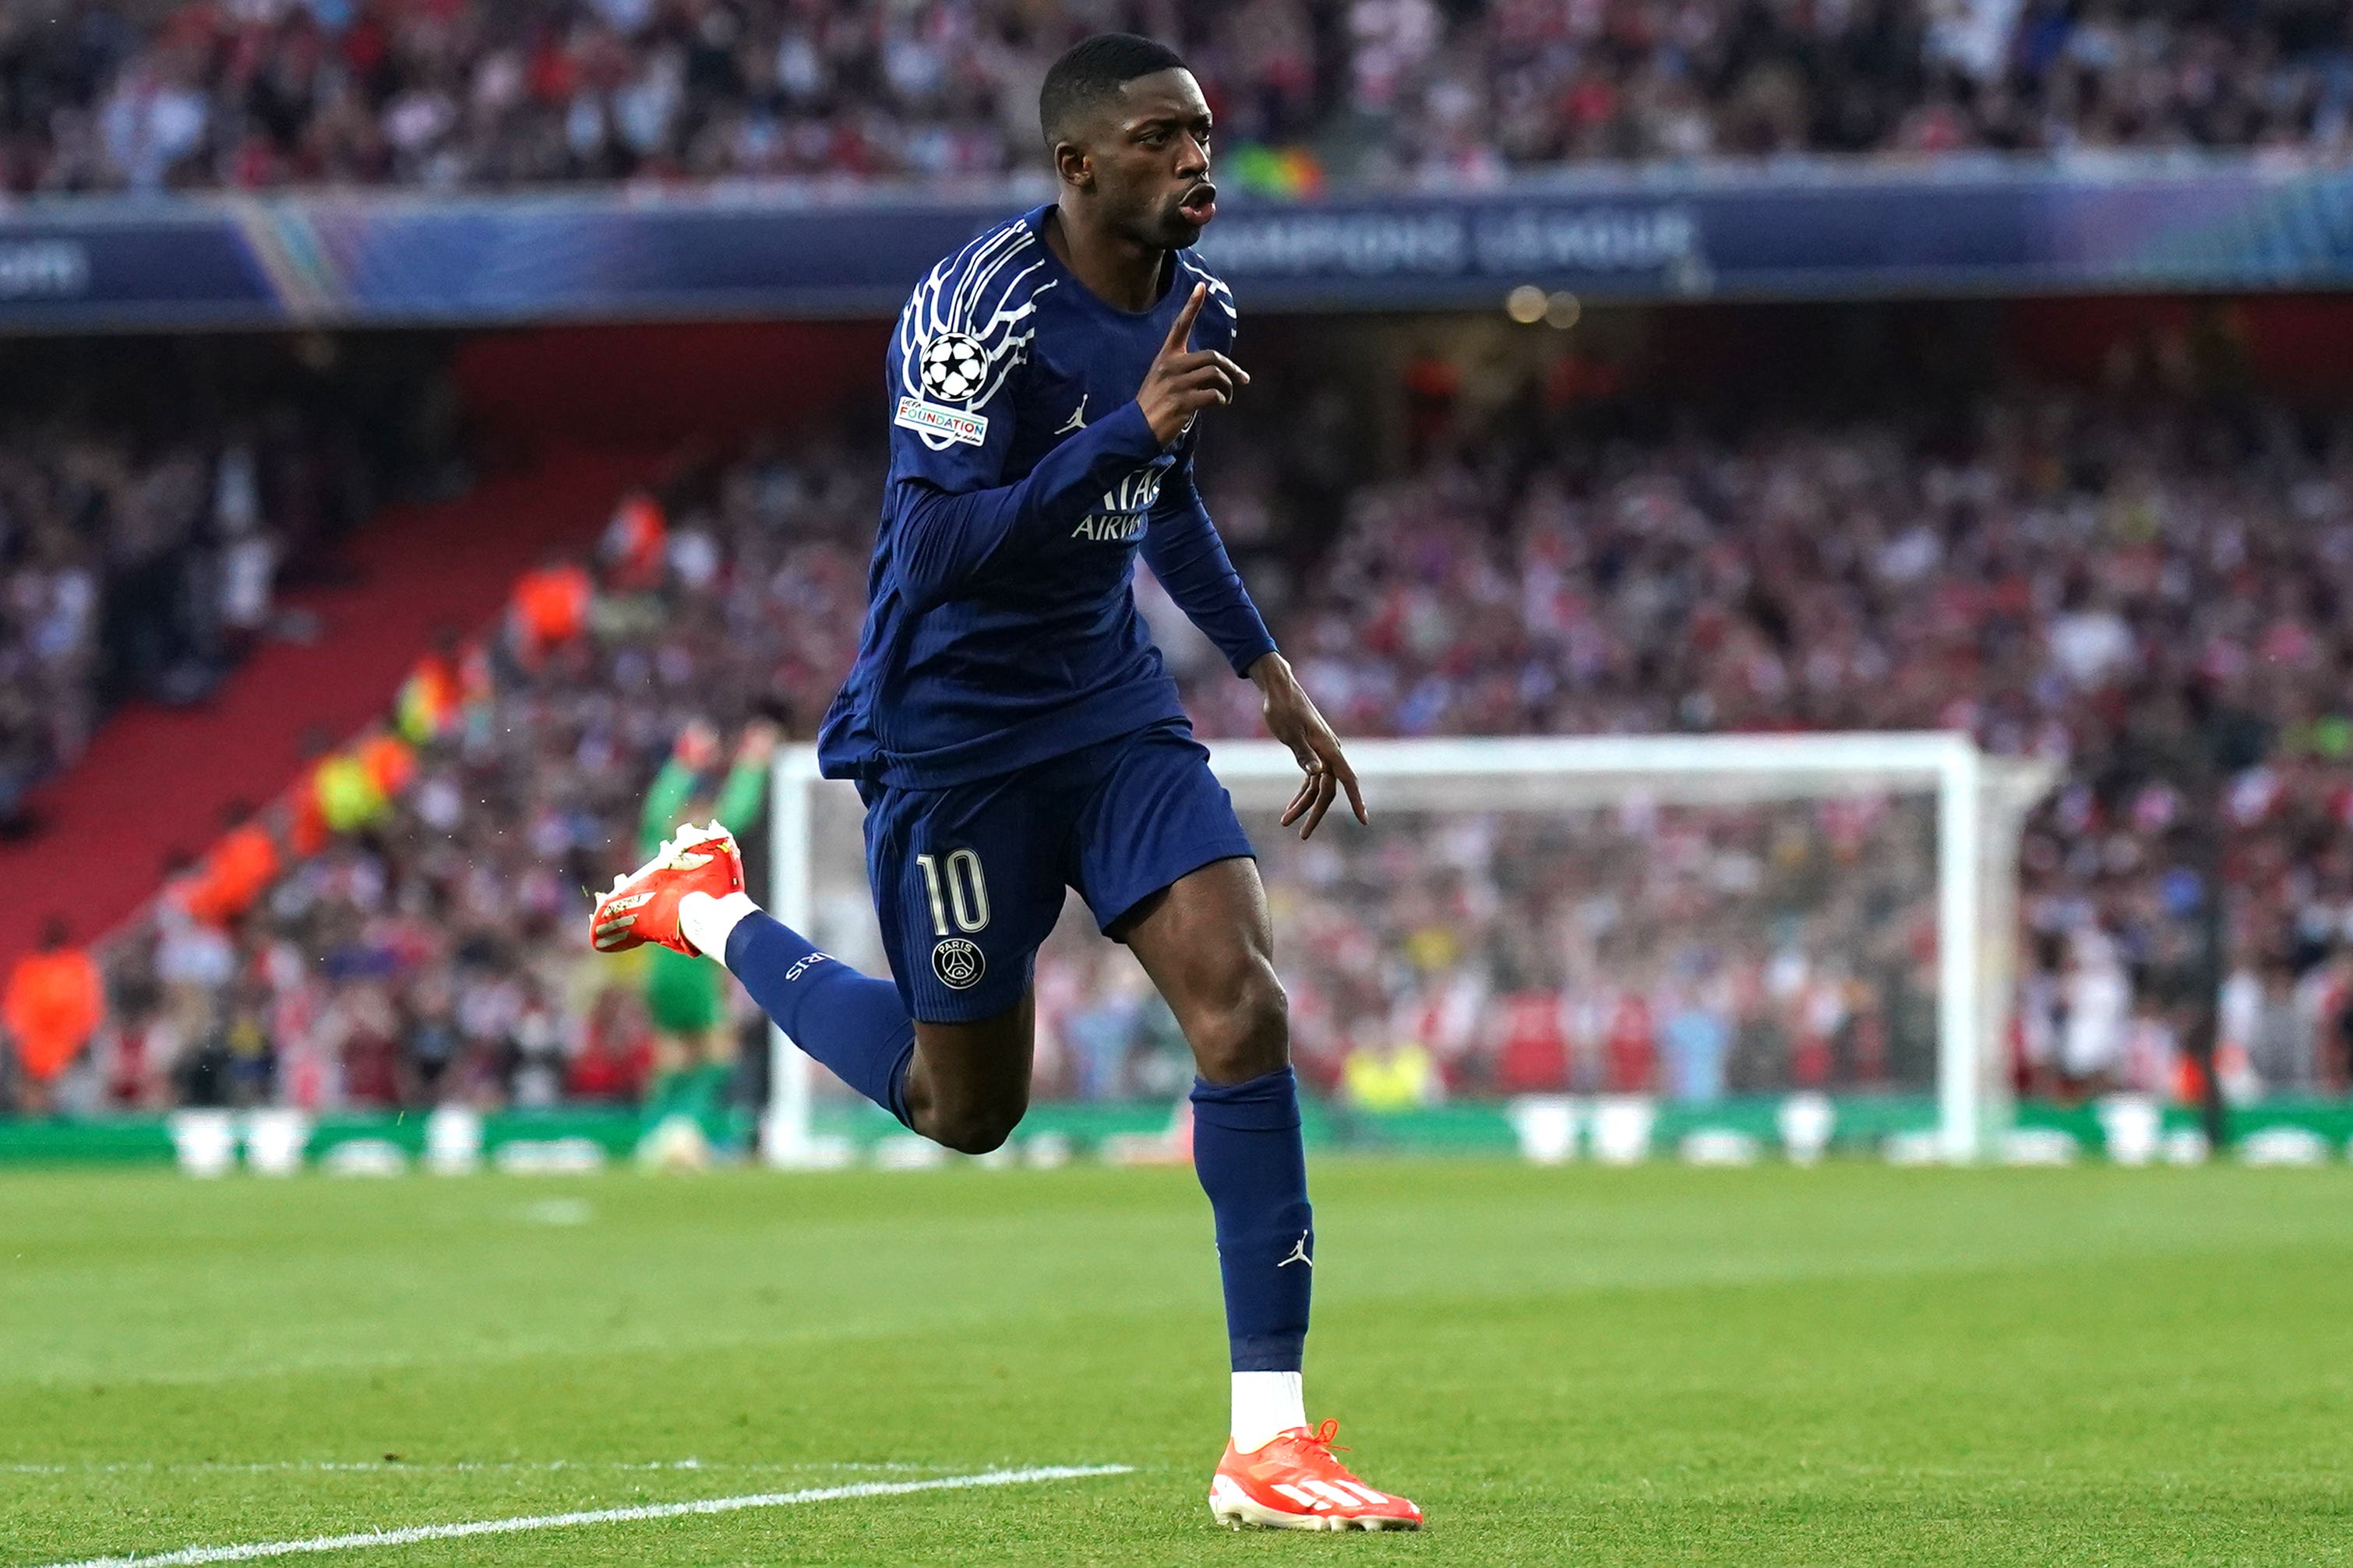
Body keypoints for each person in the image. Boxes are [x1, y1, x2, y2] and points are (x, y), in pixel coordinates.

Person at [591, 33, 1420, 1532]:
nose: (1197, 162)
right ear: (1078, 164)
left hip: (1108, 709)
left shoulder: (1198, 304)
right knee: (960, 1104)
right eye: (1164, 139)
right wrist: (1128, 430)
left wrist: (1266, 669)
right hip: (953, 733)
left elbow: (1153, 500)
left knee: (1245, 1003)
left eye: (1206, 135)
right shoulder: (973, 315)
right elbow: (942, 548)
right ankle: (708, 911)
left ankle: (1269, 1440)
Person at [4, 916, 104, 1114]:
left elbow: (88, 1006)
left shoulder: (77, 966)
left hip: (67, 1045)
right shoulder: (30, 968)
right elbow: (17, 1009)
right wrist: (22, 1040)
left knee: (68, 1097)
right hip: (36, 1045)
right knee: (35, 1097)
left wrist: (79, 1039)